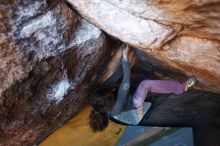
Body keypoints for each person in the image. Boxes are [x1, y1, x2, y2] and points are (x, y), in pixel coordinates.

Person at [89, 44, 197, 132]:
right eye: (112, 95)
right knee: (146, 84)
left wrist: (126, 64)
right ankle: (181, 88)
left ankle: (150, 85)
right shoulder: (116, 109)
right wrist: (125, 60)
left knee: (136, 76)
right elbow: (125, 83)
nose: (110, 92)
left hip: (128, 92)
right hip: (134, 101)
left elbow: (117, 75)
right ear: (111, 101)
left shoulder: (100, 93)